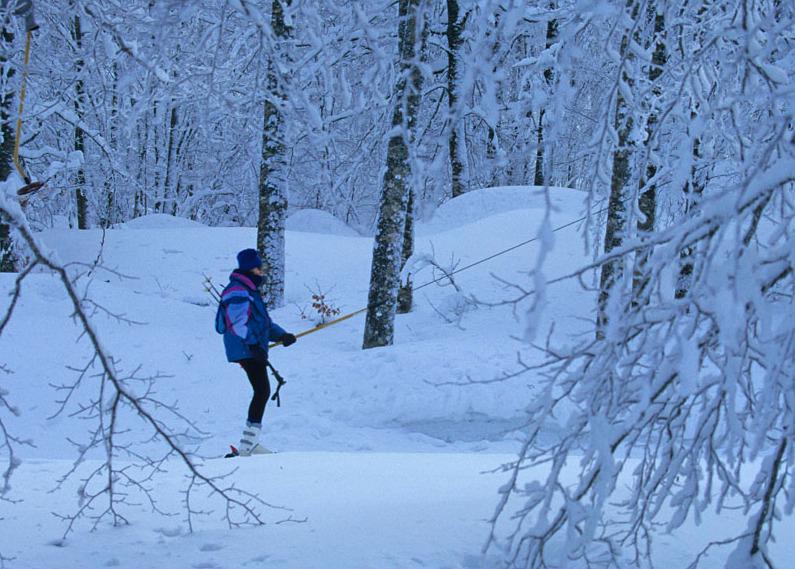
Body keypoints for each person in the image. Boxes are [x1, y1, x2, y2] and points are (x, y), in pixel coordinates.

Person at [216, 248, 297, 456]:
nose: (262, 272)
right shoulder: (238, 291)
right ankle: (248, 444)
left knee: (262, 390)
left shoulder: (250, 291)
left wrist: (282, 335)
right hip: (246, 349)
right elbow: (237, 324)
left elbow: (263, 324)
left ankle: (249, 442)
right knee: (262, 390)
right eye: (259, 268)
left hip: (251, 348)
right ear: (251, 269)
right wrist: (252, 345)